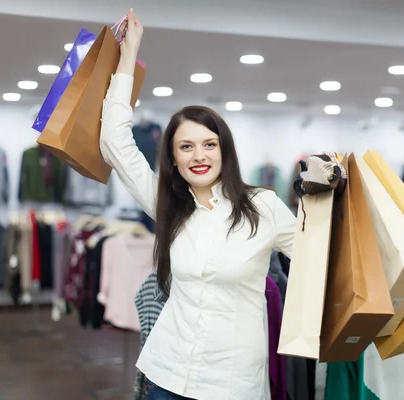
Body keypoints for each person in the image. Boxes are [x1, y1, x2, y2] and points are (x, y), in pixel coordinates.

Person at [100, 9, 296, 400]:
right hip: (167, 373)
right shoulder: (169, 206)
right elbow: (114, 145)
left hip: (232, 383)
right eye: (185, 147)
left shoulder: (264, 206)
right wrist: (129, 54)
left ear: (225, 151)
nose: (198, 155)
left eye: (209, 144)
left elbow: (324, 262)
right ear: (173, 158)